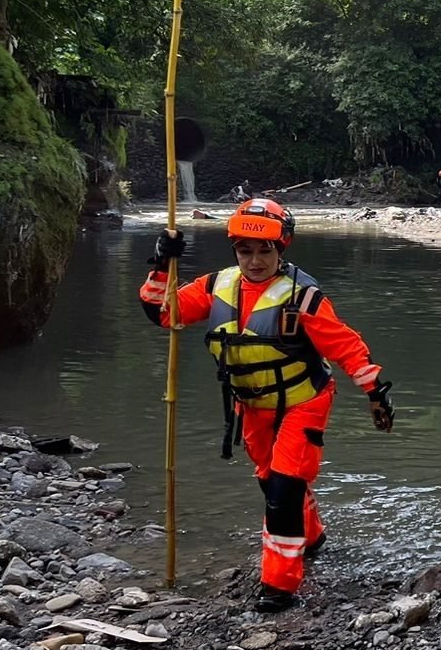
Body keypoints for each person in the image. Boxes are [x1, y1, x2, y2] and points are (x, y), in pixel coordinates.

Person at [137, 198, 395, 613]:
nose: (255, 261)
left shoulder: (303, 298)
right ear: (235, 250)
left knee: (282, 490)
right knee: (270, 480)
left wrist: (375, 393)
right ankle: (312, 536)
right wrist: (161, 264)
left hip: (304, 400)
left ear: (281, 249)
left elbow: (345, 347)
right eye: (245, 251)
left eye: (264, 251)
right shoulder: (215, 286)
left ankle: (279, 585)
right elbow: (164, 313)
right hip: (252, 404)